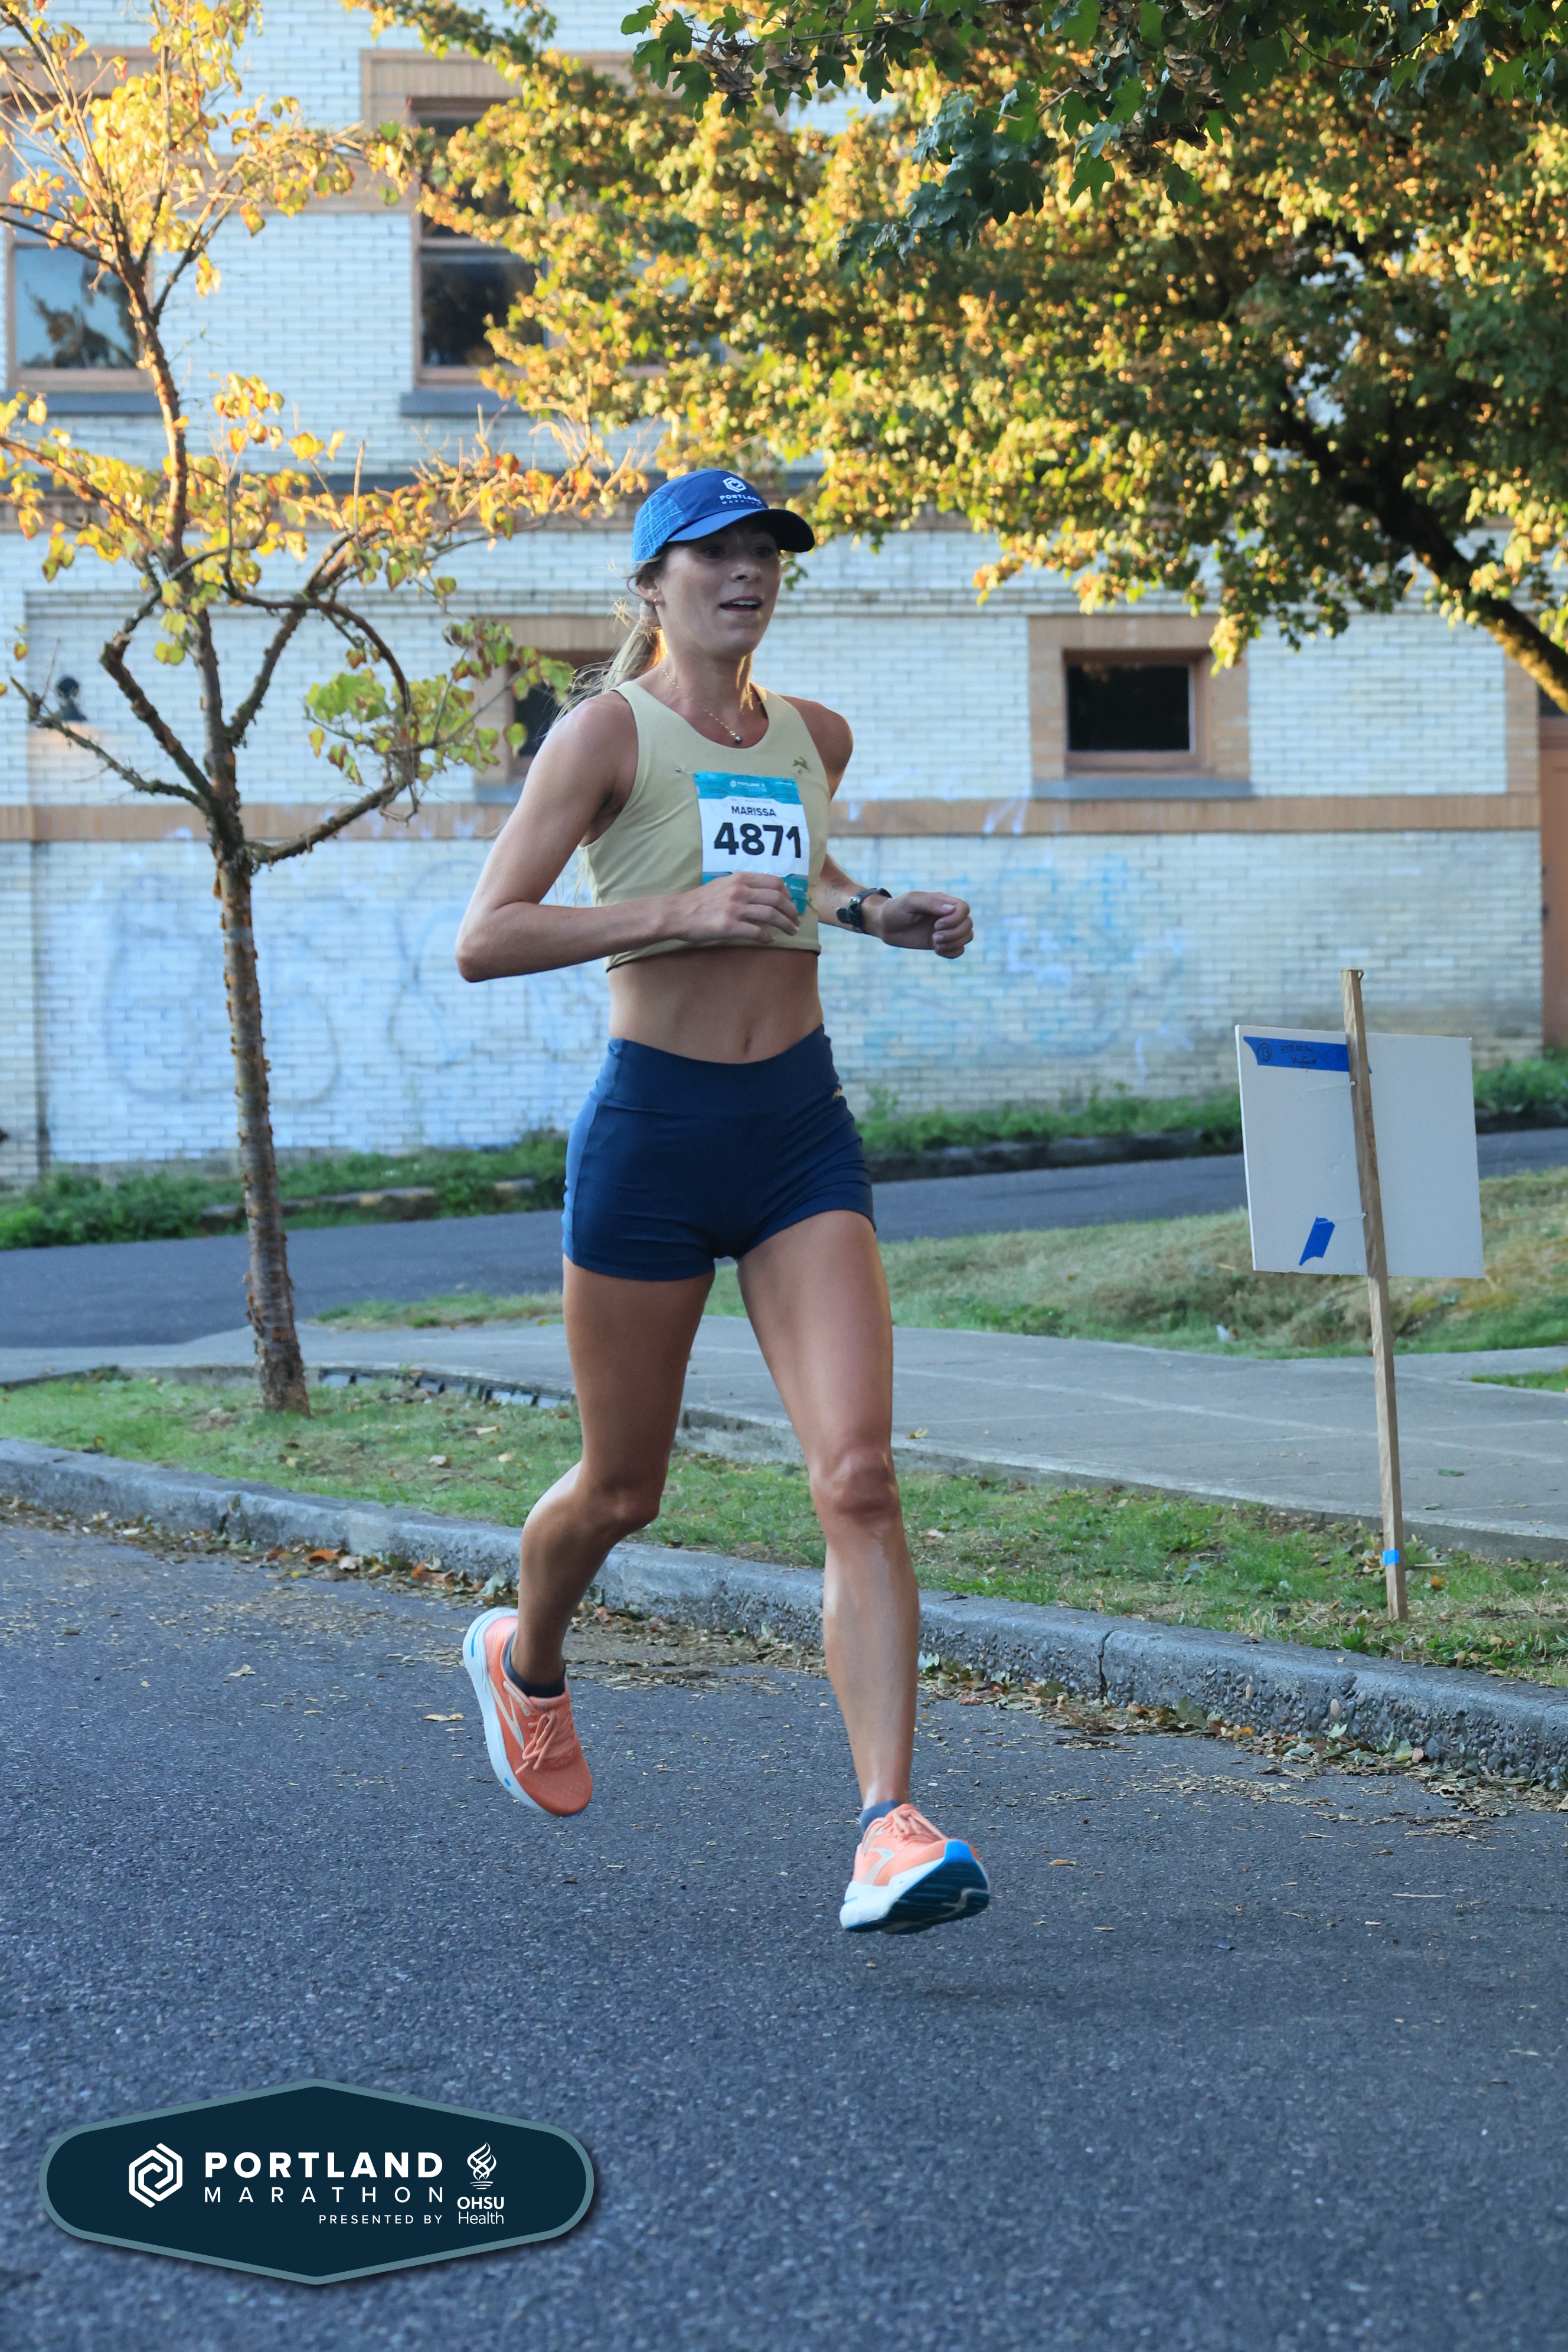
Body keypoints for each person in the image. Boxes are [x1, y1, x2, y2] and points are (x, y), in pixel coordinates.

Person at [454, 467, 989, 1935]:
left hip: (797, 1132)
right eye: (714, 555)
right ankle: (523, 1658)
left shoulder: (814, 733)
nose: (746, 574)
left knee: (858, 1475)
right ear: (652, 584)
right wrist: (676, 913)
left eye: (765, 554)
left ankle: (886, 1828)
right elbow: (485, 936)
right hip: (654, 1135)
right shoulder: (605, 733)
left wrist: (877, 913)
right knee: (622, 1489)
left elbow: (796, 874)